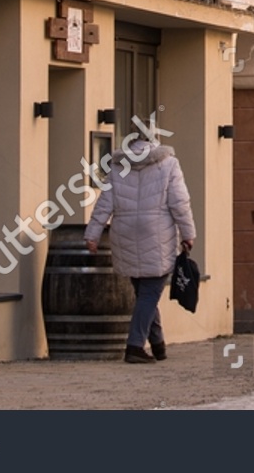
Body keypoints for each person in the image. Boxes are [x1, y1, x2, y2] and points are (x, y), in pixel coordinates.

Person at [84, 129, 196, 363]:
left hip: (123, 231)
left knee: (144, 293)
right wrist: (188, 233)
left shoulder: (117, 166)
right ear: (154, 142)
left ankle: (158, 344)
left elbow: (104, 203)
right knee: (149, 293)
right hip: (156, 232)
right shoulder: (169, 163)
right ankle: (134, 346)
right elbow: (179, 202)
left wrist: (92, 235)